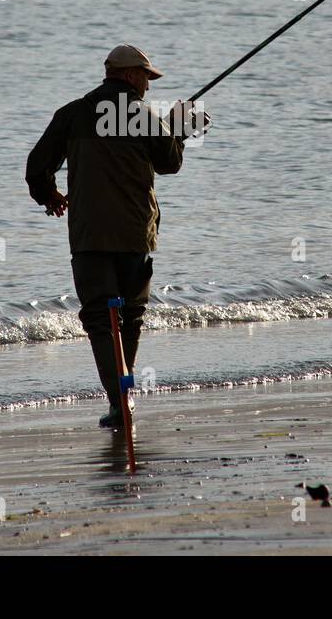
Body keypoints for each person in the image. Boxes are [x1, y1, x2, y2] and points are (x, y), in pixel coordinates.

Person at [26, 44, 208, 428]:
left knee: (99, 318)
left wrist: (51, 196)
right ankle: (123, 398)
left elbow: (37, 166)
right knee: (130, 316)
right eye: (146, 77)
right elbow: (170, 163)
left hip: (90, 236)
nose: (148, 86)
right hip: (135, 234)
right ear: (129, 76)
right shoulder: (144, 116)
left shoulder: (72, 114)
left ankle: (118, 401)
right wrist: (180, 130)